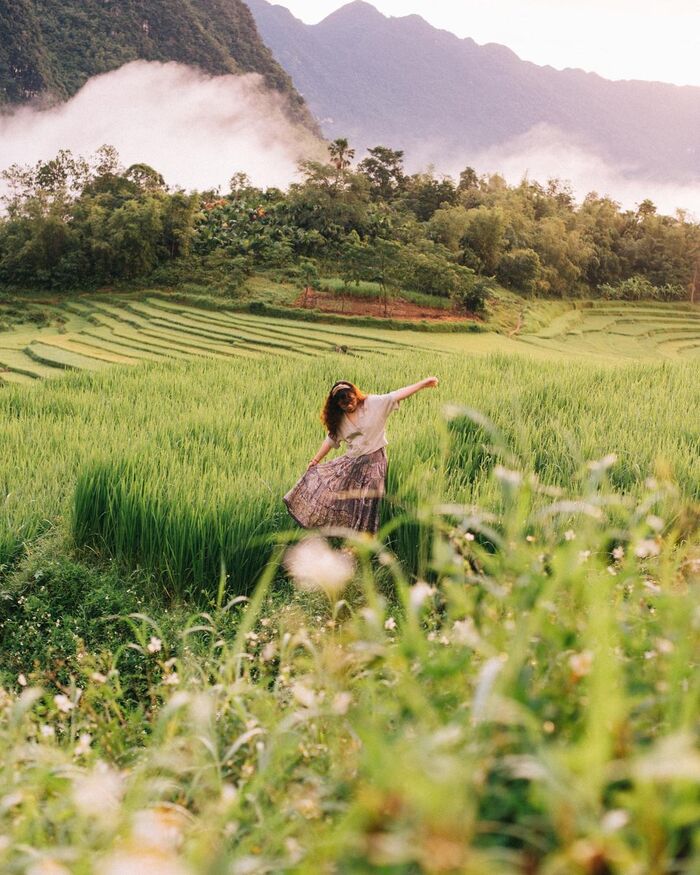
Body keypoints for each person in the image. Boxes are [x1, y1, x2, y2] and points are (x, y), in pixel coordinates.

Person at [283, 377, 439, 534]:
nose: (349, 406)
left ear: (355, 395)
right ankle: (341, 533)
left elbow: (397, 394)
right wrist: (315, 460)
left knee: (368, 502)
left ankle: (363, 541)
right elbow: (330, 440)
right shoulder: (339, 419)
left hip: (375, 462)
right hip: (352, 463)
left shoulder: (373, 403)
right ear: (337, 405)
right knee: (339, 495)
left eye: (351, 401)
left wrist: (423, 384)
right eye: (344, 405)